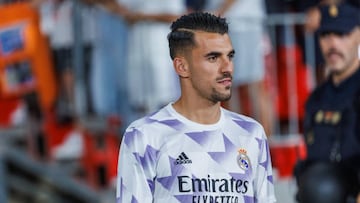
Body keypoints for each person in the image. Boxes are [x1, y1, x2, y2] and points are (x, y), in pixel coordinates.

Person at [116, 12, 276, 202]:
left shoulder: (252, 133)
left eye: (230, 56)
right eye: (213, 58)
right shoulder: (144, 135)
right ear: (182, 67)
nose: (228, 68)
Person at [296, 3, 360, 202]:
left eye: (342, 35)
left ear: (358, 35)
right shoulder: (317, 98)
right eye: (326, 35)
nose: (333, 44)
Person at [204, 0, 274, 136]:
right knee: (231, 88)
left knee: (254, 86)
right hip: (228, 25)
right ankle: (239, 144)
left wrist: (217, 13)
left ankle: (264, 146)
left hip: (242, 24)